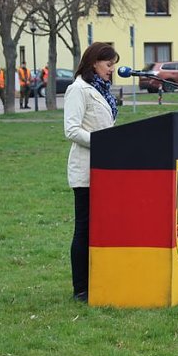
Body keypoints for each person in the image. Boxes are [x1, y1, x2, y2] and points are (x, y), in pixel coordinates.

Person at [63, 42, 120, 303]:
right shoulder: (78, 90)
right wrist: (103, 143)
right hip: (85, 171)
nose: (112, 70)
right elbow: (71, 130)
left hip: (106, 169)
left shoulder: (102, 91)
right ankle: (80, 289)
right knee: (84, 229)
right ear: (94, 62)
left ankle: (101, 279)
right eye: (108, 65)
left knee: (104, 228)